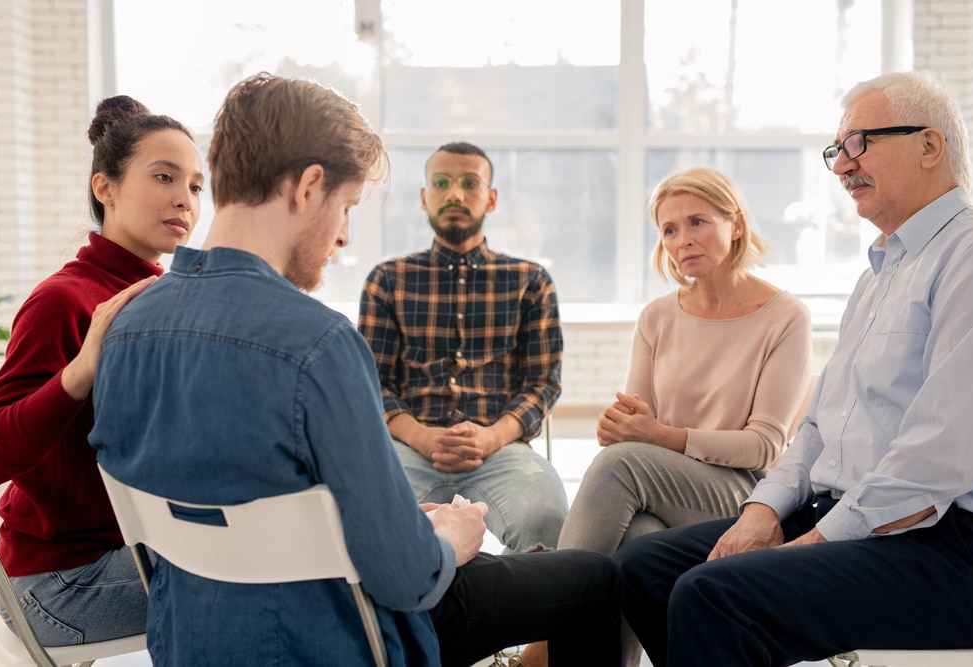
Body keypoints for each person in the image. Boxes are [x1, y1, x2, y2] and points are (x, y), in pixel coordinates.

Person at [88, 73, 620, 667]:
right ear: (309, 187)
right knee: (596, 578)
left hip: (190, 635)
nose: (342, 236)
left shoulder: (125, 325)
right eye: (346, 208)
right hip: (339, 636)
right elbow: (408, 580)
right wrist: (450, 538)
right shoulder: (316, 343)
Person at [614, 70, 973, 667]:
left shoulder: (970, 257)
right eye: (837, 150)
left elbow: (936, 456)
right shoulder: (879, 272)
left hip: (944, 541)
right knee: (642, 567)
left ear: (930, 145)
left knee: (714, 594)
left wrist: (813, 544)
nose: (840, 166)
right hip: (848, 510)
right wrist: (762, 513)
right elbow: (816, 425)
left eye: (858, 143)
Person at [552, 167, 812, 666]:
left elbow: (764, 447)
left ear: (735, 224)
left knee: (620, 466)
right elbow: (638, 428)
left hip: (748, 493)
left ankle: (544, 641)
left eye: (697, 222)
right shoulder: (656, 317)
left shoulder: (784, 316)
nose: (681, 240)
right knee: (638, 536)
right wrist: (621, 426)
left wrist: (655, 436)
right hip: (668, 486)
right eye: (669, 230)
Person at [0, 96, 203, 645]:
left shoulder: (162, 298)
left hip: (129, 548)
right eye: (164, 177)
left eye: (197, 186)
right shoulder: (64, 300)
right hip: (58, 583)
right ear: (105, 188)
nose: (185, 199)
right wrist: (80, 372)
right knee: (271, 584)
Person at [357, 142, 568, 553]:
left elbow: (543, 384)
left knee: (549, 521)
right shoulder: (387, 279)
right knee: (363, 521)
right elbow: (369, 383)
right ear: (424, 198)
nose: (454, 194)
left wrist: (491, 437)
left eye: (470, 183)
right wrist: (421, 437)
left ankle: (514, 612)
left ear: (490, 198)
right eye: (441, 182)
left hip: (501, 446)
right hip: (407, 447)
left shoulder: (530, 280)